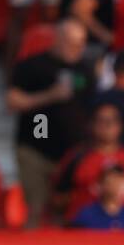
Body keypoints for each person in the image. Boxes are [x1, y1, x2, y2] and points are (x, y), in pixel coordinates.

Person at [7, 19, 96, 228]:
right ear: (57, 40)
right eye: (72, 43)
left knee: (67, 211)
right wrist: (49, 96)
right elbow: (12, 100)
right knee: (36, 208)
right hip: (36, 149)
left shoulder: (85, 70)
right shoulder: (33, 66)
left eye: (81, 44)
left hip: (72, 153)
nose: (77, 49)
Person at [70, 162, 124, 230]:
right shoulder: (86, 215)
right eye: (109, 180)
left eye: (117, 180)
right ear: (100, 184)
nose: (114, 185)